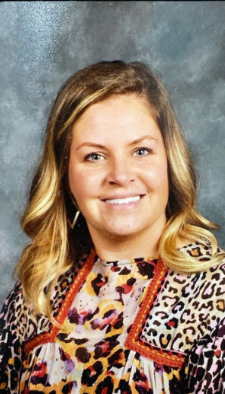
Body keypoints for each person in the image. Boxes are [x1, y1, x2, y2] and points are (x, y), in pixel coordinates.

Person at [0, 60, 225, 394]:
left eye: (141, 150)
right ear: (64, 174)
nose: (120, 175)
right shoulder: (36, 294)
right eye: (94, 156)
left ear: (168, 161)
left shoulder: (214, 296)